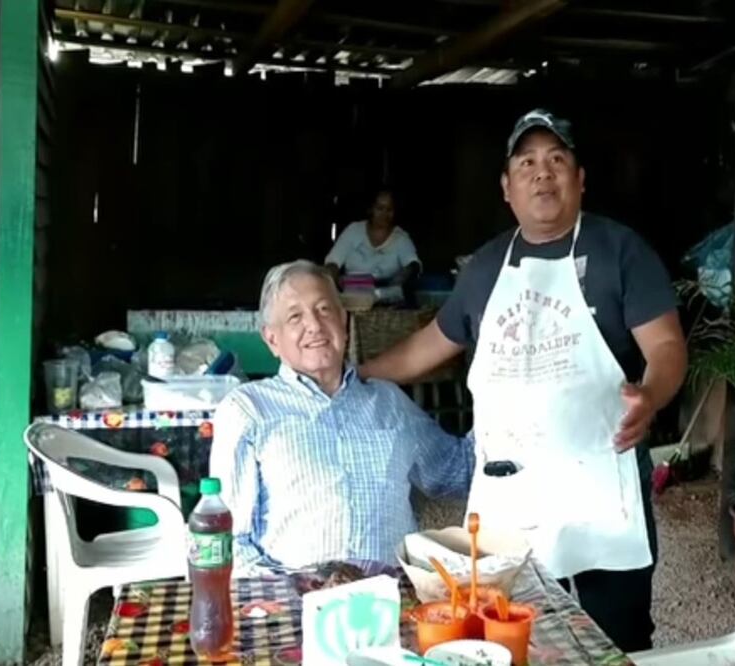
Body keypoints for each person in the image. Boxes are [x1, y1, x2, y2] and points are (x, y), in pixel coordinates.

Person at [361, 109, 688, 651]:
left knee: (619, 638)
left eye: (558, 160)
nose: (544, 172)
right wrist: (362, 373)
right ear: (507, 188)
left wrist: (651, 393)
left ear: (580, 180)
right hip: (511, 496)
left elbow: (668, 346)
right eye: (528, 162)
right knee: (511, 638)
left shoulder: (620, 251)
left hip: (600, 490)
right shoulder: (486, 268)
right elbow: (430, 346)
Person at [209, 260, 473, 576]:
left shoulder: (388, 402)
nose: (315, 326)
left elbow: (457, 472)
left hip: (390, 599)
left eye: (324, 310)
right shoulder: (248, 410)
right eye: (295, 316)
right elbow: (229, 541)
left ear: (344, 322)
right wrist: (292, 595)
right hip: (297, 604)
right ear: (272, 340)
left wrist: (509, 401)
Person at [325, 188, 421, 286]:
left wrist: (402, 277)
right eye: (380, 208)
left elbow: (413, 264)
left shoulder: (401, 238)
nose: (384, 214)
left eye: (389, 209)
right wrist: (333, 279)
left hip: (387, 296)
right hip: (352, 293)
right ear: (370, 209)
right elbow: (333, 261)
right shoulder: (353, 231)